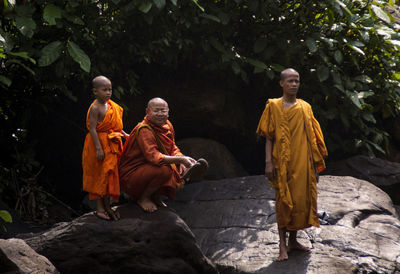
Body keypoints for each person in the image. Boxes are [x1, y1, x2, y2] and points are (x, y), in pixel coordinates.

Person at [256, 68, 328, 261]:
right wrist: (268, 162)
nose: (294, 84)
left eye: (297, 81)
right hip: (281, 162)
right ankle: (282, 246)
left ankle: (293, 241)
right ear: (281, 83)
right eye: (290, 81)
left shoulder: (305, 107)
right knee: (282, 202)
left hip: (303, 162)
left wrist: (314, 166)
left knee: (300, 202)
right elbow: (268, 137)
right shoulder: (273, 106)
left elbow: (312, 139)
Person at [119, 97, 208, 213]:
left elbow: (172, 147)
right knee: (164, 170)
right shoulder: (144, 130)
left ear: (168, 112)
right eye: (156, 111)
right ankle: (143, 198)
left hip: (148, 167)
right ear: (147, 112)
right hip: (132, 173)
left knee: (173, 165)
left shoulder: (167, 125)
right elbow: (153, 157)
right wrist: (180, 160)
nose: (160, 114)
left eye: (163, 111)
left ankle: (155, 197)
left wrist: (181, 159)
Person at [82, 76, 129, 221]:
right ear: (95, 91)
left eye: (110, 89)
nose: (108, 92)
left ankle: (108, 207)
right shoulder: (95, 107)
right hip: (97, 144)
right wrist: (98, 148)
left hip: (111, 145)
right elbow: (92, 129)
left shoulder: (111, 106)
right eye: (104, 90)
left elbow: (114, 126)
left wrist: (125, 134)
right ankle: (100, 209)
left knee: (109, 176)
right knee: (99, 176)